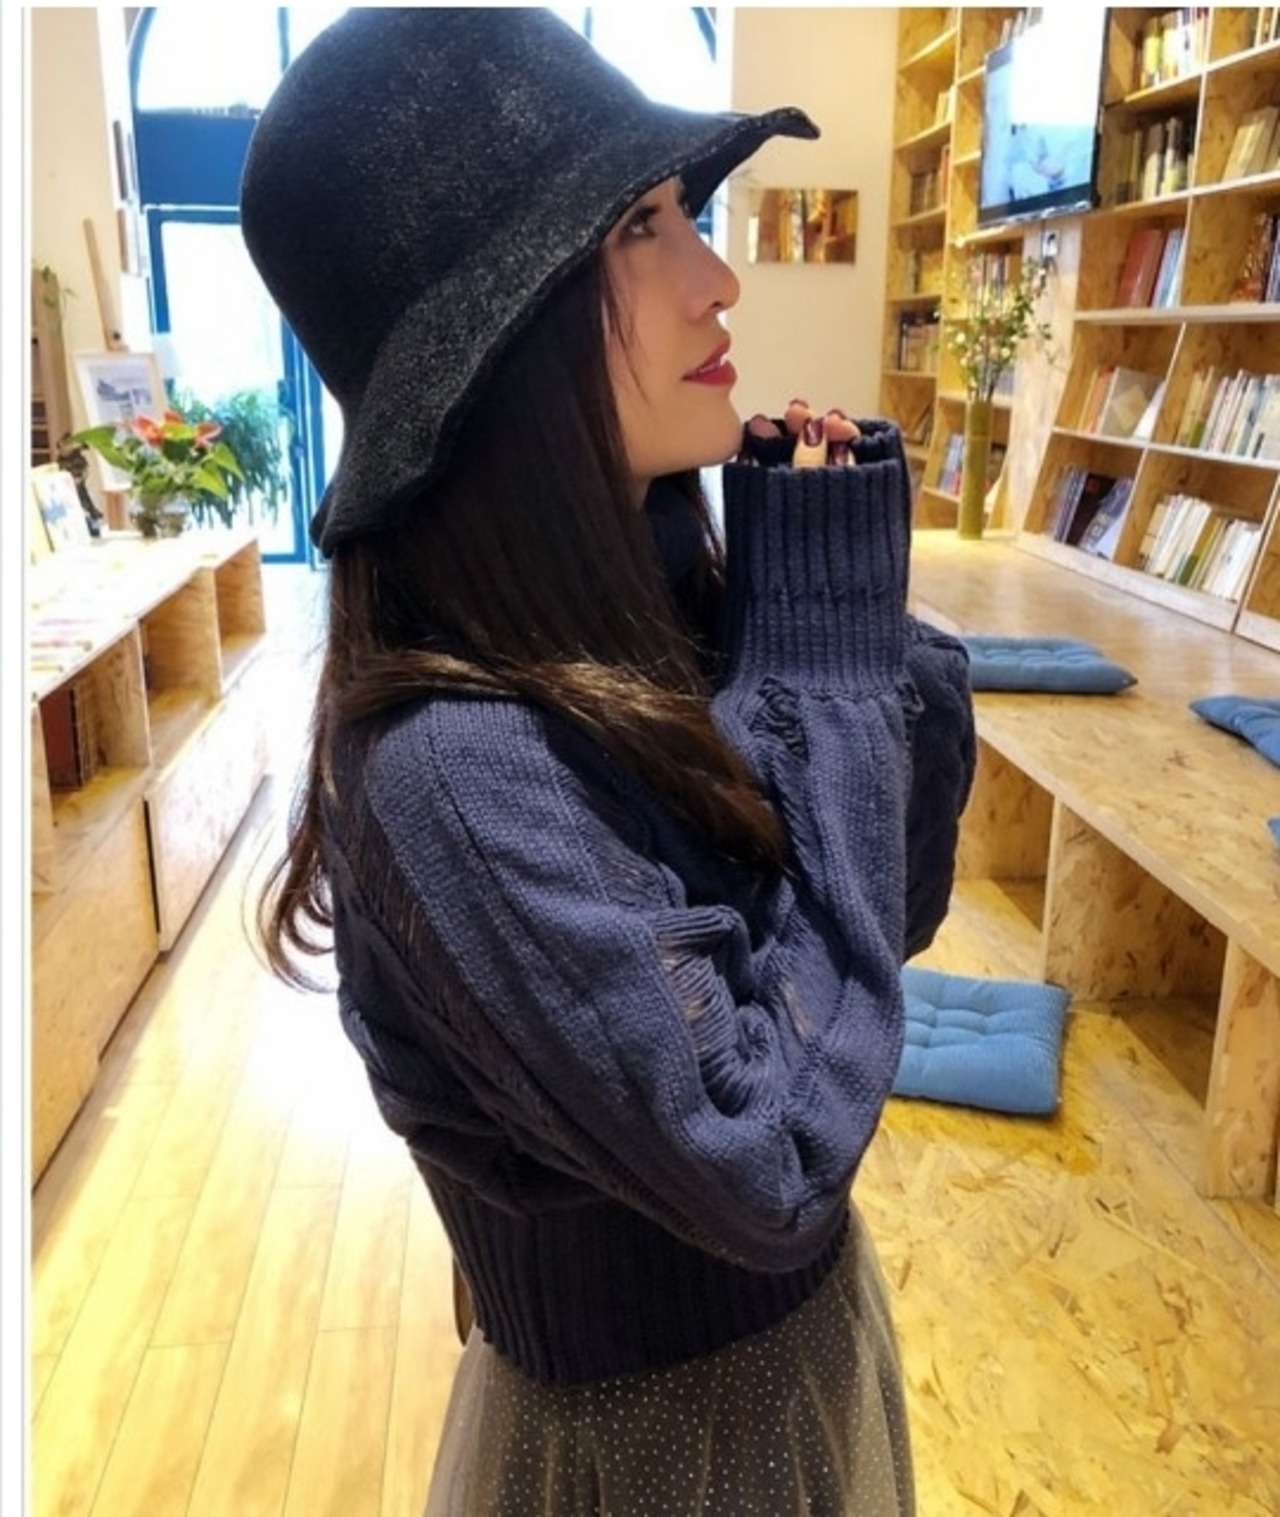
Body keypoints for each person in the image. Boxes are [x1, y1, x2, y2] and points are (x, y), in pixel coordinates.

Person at [242, 10, 976, 1515]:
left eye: (685, 212)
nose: (718, 277)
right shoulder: (455, 770)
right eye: (641, 227)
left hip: (809, 1370)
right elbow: (776, 1150)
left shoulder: (657, 616)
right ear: (494, 338)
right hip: (656, 1460)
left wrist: (822, 625)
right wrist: (820, 671)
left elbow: (879, 924)